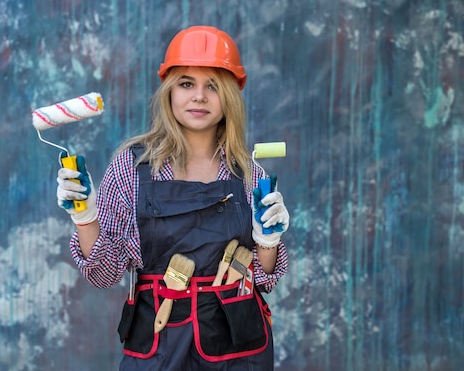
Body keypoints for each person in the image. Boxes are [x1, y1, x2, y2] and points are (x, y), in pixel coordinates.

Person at [56, 25, 290, 370]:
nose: (199, 96)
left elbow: (264, 279)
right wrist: (85, 217)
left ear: (229, 95)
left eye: (213, 85)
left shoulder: (248, 172)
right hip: (158, 349)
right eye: (186, 83)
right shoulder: (132, 167)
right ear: (168, 92)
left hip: (238, 354)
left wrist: (267, 241)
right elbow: (104, 275)